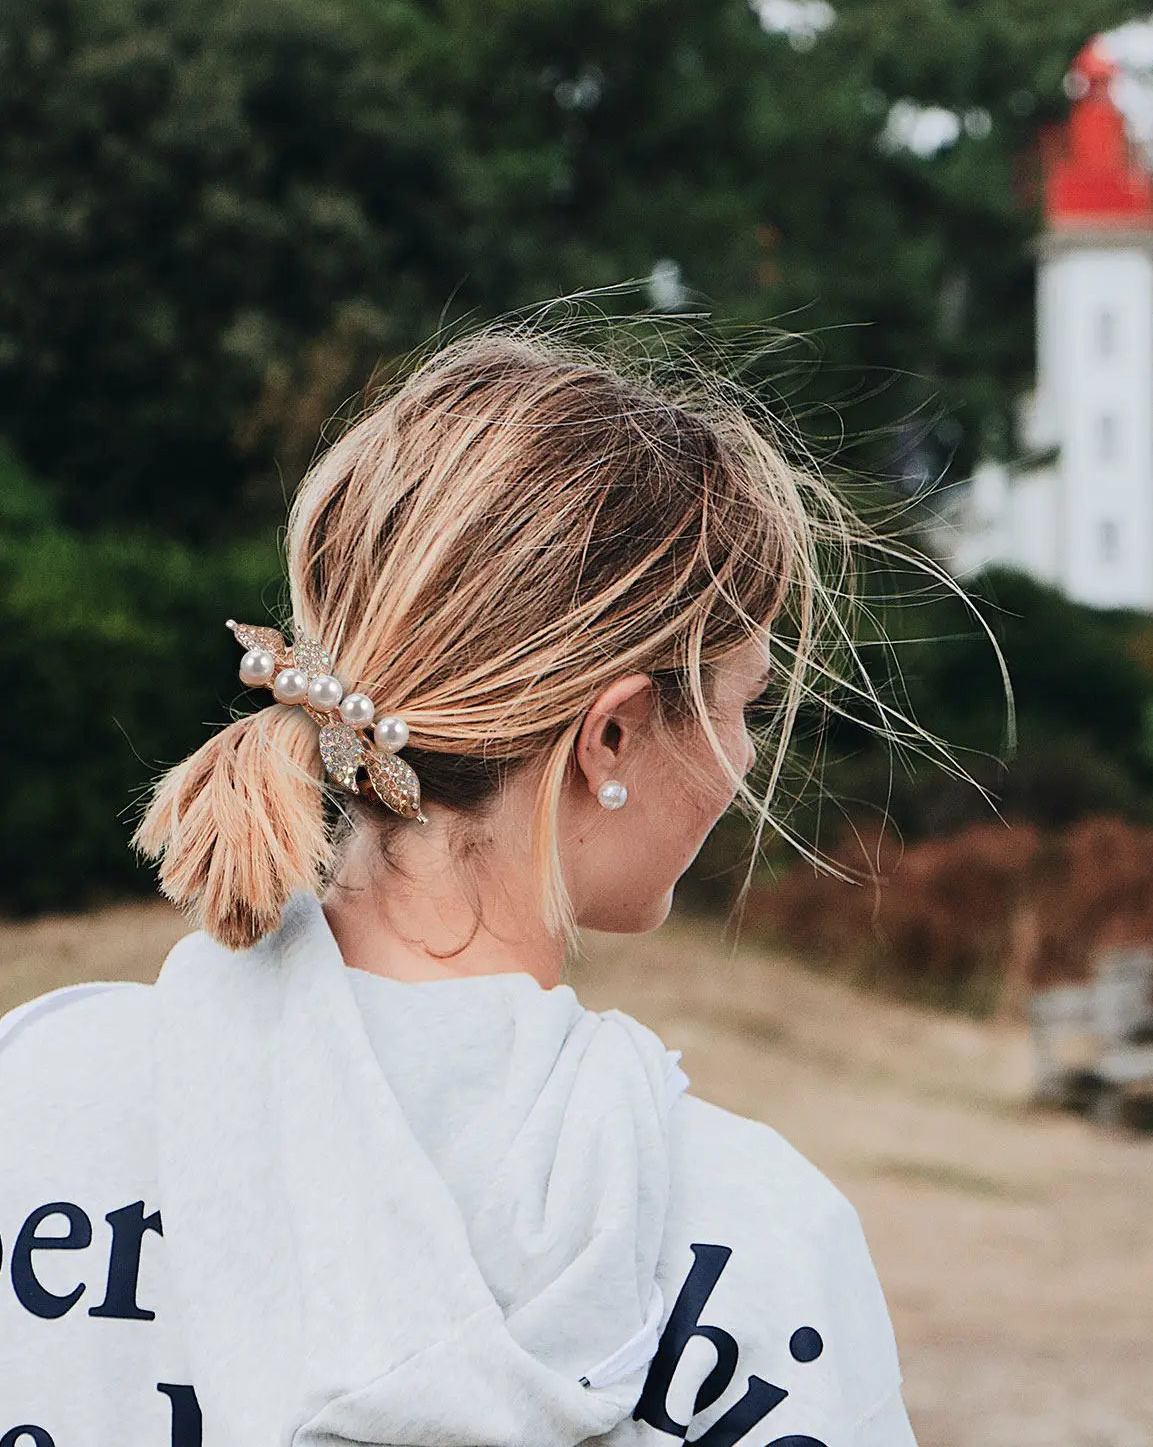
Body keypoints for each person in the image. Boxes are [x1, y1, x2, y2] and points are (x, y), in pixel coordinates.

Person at [0, 331, 946, 1447]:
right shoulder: (756, 1234)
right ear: (612, 735)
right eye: (745, 703)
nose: (745, 764)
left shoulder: (34, 1099)